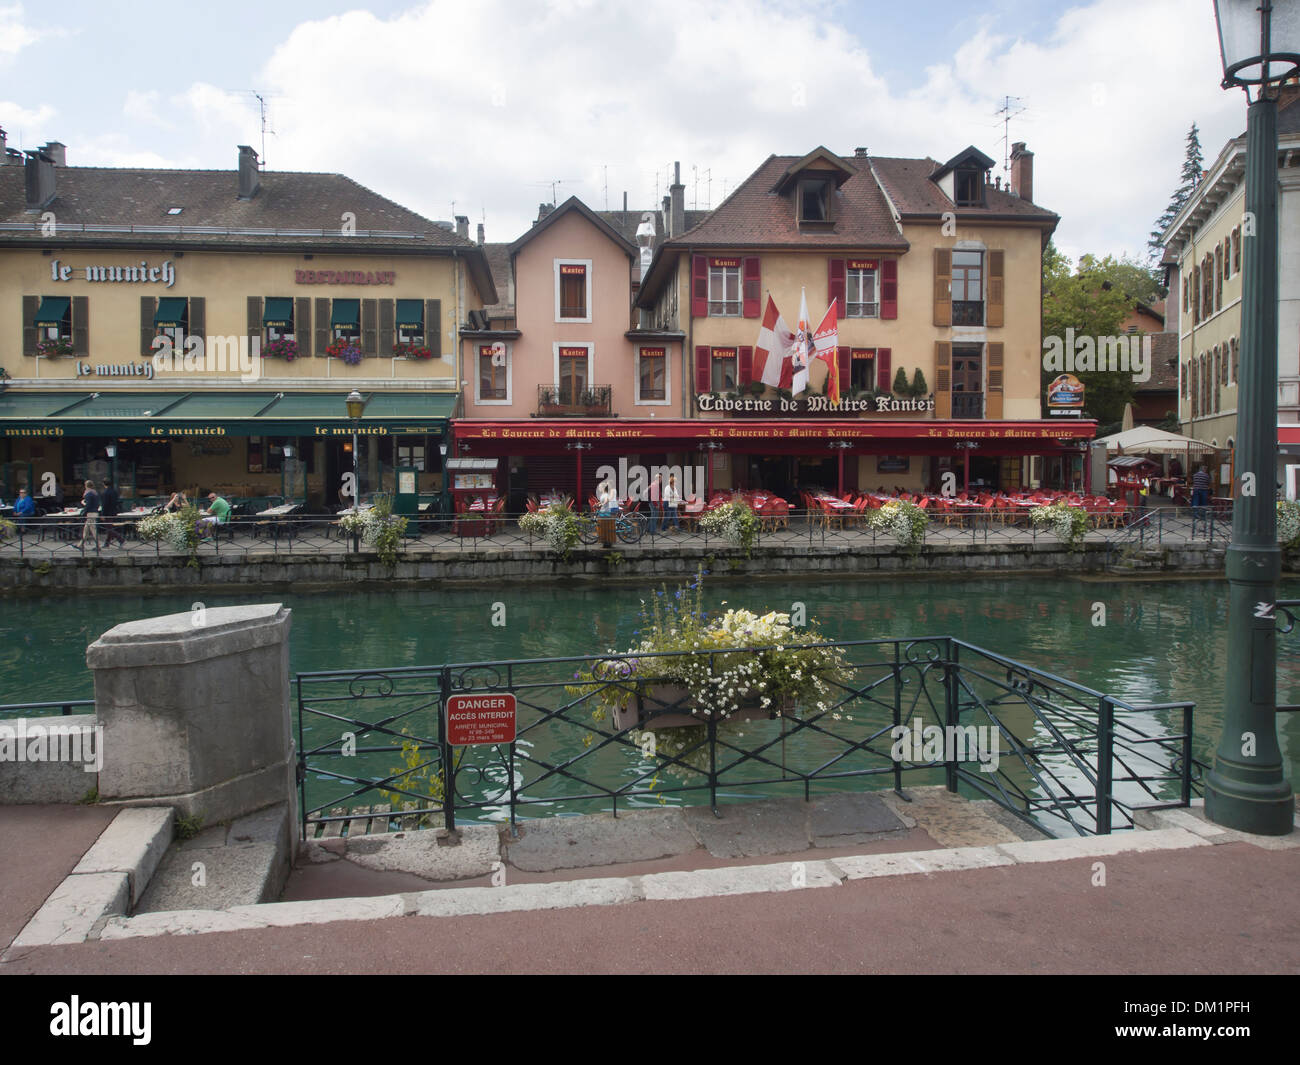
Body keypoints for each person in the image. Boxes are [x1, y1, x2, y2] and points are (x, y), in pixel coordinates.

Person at [99, 480, 125, 547]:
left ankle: (121, 539)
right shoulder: (114, 492)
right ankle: (107, 543)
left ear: (104, 484)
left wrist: (102, 514)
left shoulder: (105, 493)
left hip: (107, 513)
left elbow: (105, 505)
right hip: (113, 511)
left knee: (109, 528)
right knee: (109, 527)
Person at [77, 479, 99, 547]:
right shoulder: (95, 493)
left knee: (93, 529)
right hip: (95, 512)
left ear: (86, 486)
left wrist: (83, 511)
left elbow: (88, 505)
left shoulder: (88, 494)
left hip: (90, 513)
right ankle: (80, 545)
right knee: (86, 530)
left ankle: (98, 546)